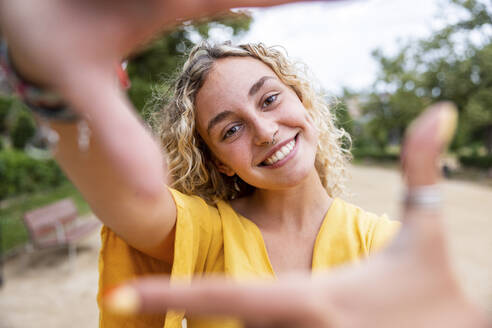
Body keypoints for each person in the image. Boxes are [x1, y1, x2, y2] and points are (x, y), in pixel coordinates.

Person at [0, 1, 488, 328]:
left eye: (270, 99)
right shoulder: (209, 236)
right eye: (229, 129)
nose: (264, 130)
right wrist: (47, 78)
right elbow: (130, 201)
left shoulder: (385, 246)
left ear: (303, 100)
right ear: (219, 163)